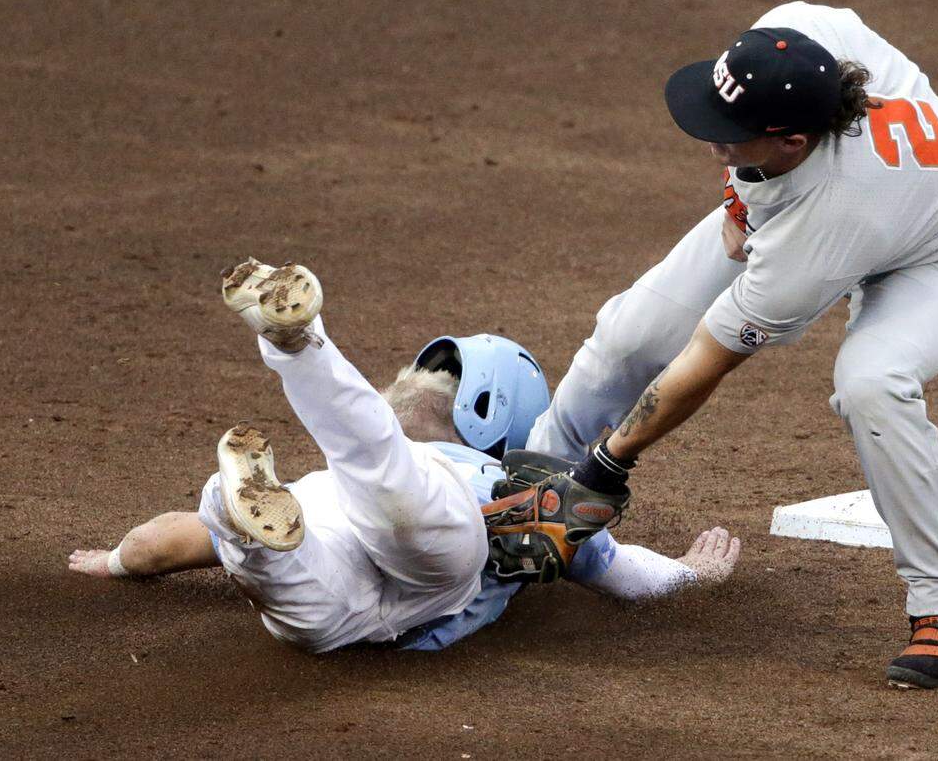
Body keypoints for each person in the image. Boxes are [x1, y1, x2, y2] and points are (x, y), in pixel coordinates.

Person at [526, 2, 938, 689]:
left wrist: (608, 466)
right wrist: (735, 194)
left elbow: (705, 359)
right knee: (631, 332)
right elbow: (760, 96)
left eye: (731, 134)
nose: (710, 140)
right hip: (844, 200)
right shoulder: (801, 37)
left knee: (872, 383)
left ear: (788, 140)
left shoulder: (821, 229)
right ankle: (527, 484)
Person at [68, 259, 740, 653]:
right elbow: (624, 574)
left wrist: (117, 560)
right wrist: (690, 574)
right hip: (433, 555)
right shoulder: (496, 475)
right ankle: (295, 353)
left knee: (282, 539)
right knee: (386, 471)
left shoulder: (318, 484)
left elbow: (160, 542)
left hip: (327, 540)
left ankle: (267, 417)